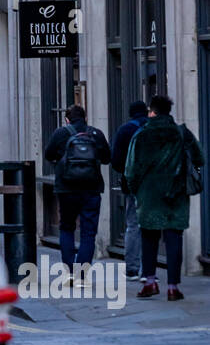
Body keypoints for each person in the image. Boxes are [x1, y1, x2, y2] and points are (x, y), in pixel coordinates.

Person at [125, 93, 204, 301]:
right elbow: (200, 158)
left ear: (152, 111)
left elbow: (130, 170)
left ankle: (150, 282)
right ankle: (172, 286)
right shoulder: (182, 133)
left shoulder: (141, 135)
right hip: (176, 194)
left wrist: (136, 191)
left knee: (149, 238)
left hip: (149, 195)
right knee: (174, 238)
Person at [44, 104, 111, 275]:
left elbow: (48, 155)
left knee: (66, 227)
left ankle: (69, 271)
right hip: (92, 189)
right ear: (85, 118)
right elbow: (106, 158)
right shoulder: (95, 134)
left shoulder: (61, 133)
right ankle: (81, 273)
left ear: (67, 119)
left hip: (67, 189)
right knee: (88, 233)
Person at [111, 101, 149, 279]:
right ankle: (149, 269)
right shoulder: (153, 128)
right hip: (154, 185)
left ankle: (133, 268)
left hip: (132, 184)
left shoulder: (125, 130)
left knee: (133, 225)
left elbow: (116, 161)